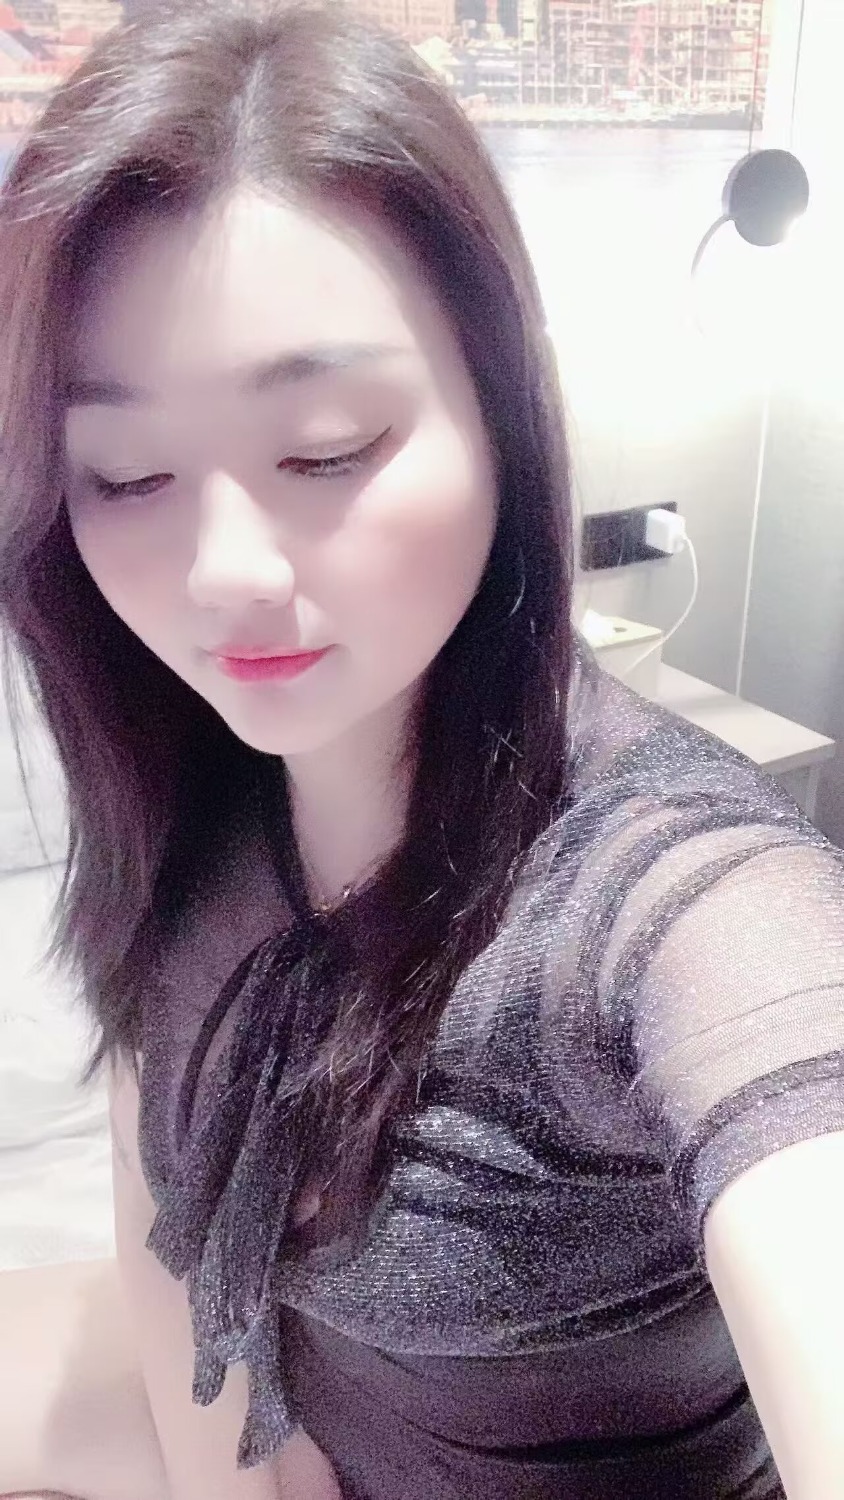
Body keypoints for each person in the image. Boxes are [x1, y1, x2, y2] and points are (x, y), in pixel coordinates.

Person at [1, 3, 843, 1498]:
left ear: (502, 414)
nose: (224, 576)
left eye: (325, 449)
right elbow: (164, 1197)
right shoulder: (192, 782)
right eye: (125, 474)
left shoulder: (675, 907)